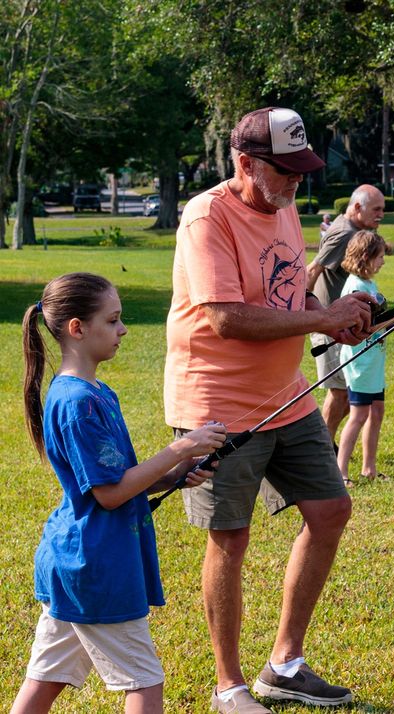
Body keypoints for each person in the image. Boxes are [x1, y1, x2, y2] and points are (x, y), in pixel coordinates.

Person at [164, 106, 375, 714]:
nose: (295, 183)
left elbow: (292, 287)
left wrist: (335, 320)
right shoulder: (207, 215)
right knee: (230, 537)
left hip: (287, 393)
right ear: (245, 162)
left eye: (301, 170)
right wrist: (320, 318)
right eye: (283, 171)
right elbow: (225, 317)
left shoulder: (285, 209)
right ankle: (228, 686)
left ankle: (284, 664)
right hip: (218, 404)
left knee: (331, 509)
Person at [13, 272, 226, 714]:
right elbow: (109, 494)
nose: (123, 329)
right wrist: (178, 448)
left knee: (47, 677)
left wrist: (175, 471)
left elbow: (117, 475)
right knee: (144, 682)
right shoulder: (77, 403)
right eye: (112, 321)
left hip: (80, 563)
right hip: (96, 566)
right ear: (77, 328)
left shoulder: (95, 393)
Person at [307, 185, 387, 441]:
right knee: (339, 392)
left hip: (346, 325)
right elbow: (312, 270)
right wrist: (306, 315)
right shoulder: (343, 233)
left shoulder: (357, 230)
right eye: (376, 209)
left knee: (347, 392)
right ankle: (322, 450)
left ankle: (326, 446)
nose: (381, 215)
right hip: (330, 326)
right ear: (356, 208)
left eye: (383, 209)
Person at [336, 230, 394, 486]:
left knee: (376, 411)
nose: (383, 261)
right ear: (365, 257)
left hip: (373, 361)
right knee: (359, 415)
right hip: (361, 362)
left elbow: (376, 320)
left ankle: (369, 468)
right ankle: (340, 473)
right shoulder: (356, 286)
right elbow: (362, 329)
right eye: (379, 256)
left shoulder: (368, 283)